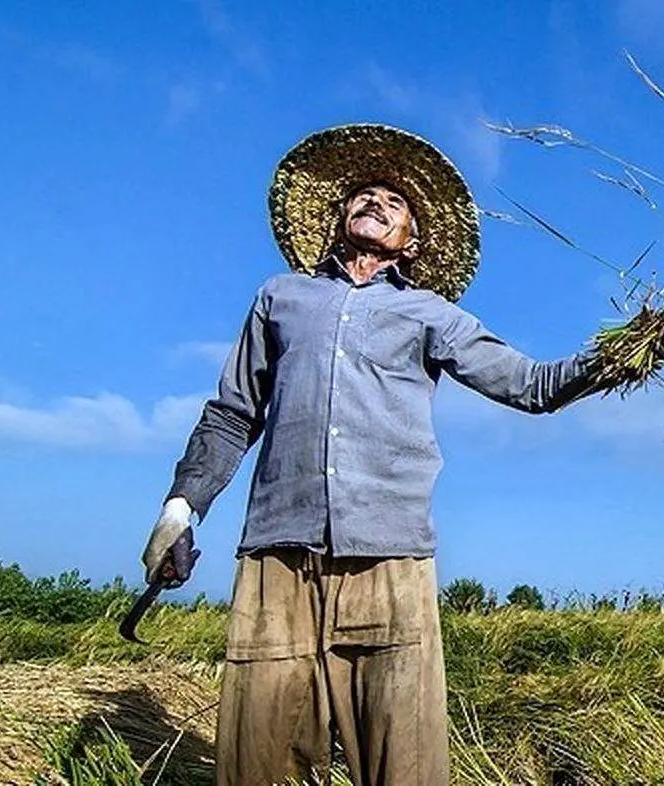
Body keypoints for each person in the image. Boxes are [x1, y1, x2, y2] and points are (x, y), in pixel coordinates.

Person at [141, 124, 602, 786]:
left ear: (411, 239)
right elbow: (233, 412)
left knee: (404, 764)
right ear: (338, 218)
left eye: (394, 198)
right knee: (256, 761)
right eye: (364, 193)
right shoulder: (282, 297)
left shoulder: (431, 314)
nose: (375, 199)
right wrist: (181, 509)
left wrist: (626, 351)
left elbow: (531, 386)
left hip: (389, 557)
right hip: (277, 554)